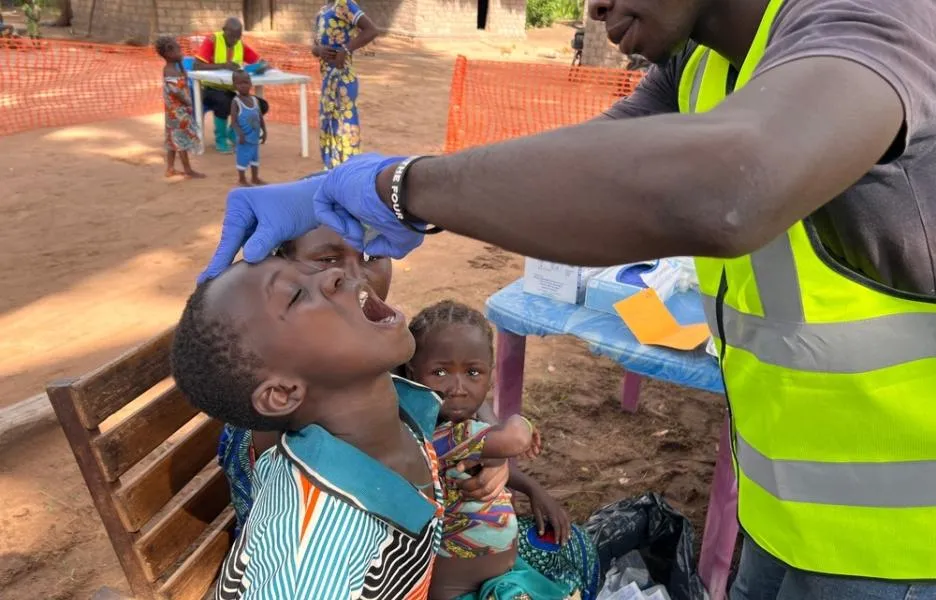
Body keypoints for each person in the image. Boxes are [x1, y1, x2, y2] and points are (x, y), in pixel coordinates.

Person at [199, 0, 936, 596]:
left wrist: (396, 185)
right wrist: (376, 199)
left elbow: (729, 190)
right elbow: (582, 182)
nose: (593, 4)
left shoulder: (873, 18)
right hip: (780, 516)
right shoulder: (699, 67)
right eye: (296, 292)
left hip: (902, 551)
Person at [211, 180, 510, 537]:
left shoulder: (379, 340)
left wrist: (495, 445)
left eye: (371, 256)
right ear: (283, 269)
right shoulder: (295, 383)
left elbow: (466, 394)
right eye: (327, 259)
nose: (355, 277)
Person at [171, 257, 445, 599]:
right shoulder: (315, 556)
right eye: (297, 295)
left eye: (309, 272)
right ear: (282, 393)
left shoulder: (398, 414)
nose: (334, 274)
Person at [408, 300, 600, 600]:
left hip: (498, 577)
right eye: (440, 372)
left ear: (490, 373)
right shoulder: (440, 434)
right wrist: (520, 422)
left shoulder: (463, 423)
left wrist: (534, 490)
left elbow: (494, 452)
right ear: (412, 372)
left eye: (473, 373)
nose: (457, 387)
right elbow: (513, 439)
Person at [312, 0, 378, 169]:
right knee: (329, 126)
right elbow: (314, 46)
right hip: (327, 80)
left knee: (346, 129)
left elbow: (371, 30)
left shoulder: (345, 4)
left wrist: (346, 50)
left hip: (343, 79)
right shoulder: (322, 12)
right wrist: (319, 51)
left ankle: (349, 175)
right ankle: (331, 174)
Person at [192, 17, 269, 154]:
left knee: (259, 105)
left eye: (237, 37)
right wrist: (223, 65)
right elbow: (196, 65)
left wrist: (263, 66)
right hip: (210, 89)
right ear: (224, 31)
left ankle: (232, 132)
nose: (234, 40)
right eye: (231, 36)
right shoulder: (212, 41)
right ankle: (220, 140)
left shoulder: (240, 44)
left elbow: (259, 60)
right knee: (225, 101)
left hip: (231, 90)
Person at [154, 36, 204, 179]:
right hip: (178, 113)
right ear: (169, 52)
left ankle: (170, 168)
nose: (181, 52)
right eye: (178, 50)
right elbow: (175, 91)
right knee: (181, 140)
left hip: (174, 113)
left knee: (172, 140)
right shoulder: (170, 71)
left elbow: (185, 77)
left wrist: (181, 63)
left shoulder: (174, 69)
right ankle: (188, 169)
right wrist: (188, 102)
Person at [230, 70, 266, 186]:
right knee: (242, 158)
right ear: (234, 85)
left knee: (255, 158)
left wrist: (264, 131)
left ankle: (255, 178)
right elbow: (234, 122)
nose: (243, 86)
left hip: (254, 138)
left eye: (246, 82)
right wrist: (240, 134)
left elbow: (260, 117)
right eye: (239, 83)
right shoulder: (236, 102)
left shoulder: (255, 100)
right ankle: (242, 179)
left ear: (250, 83)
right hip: (243, 138)